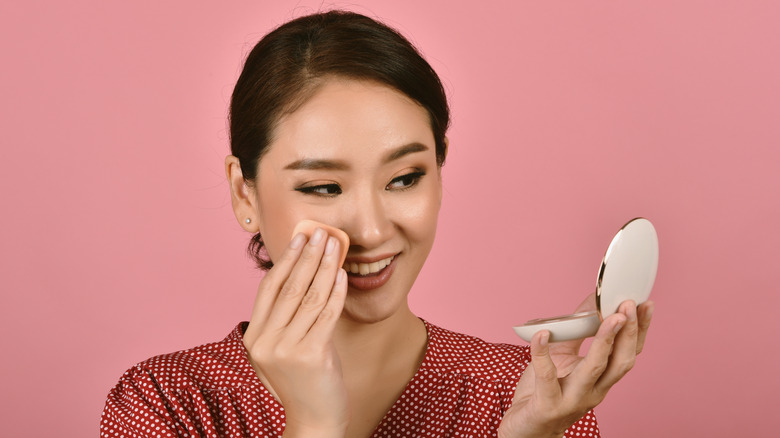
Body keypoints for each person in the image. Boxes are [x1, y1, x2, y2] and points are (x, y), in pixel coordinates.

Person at [100, 10, 653, 438]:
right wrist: (313, 424)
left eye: (404, 178)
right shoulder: (166, 402)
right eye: (322, 187)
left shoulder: (529, 396)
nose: (369, 229)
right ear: (244, 191)